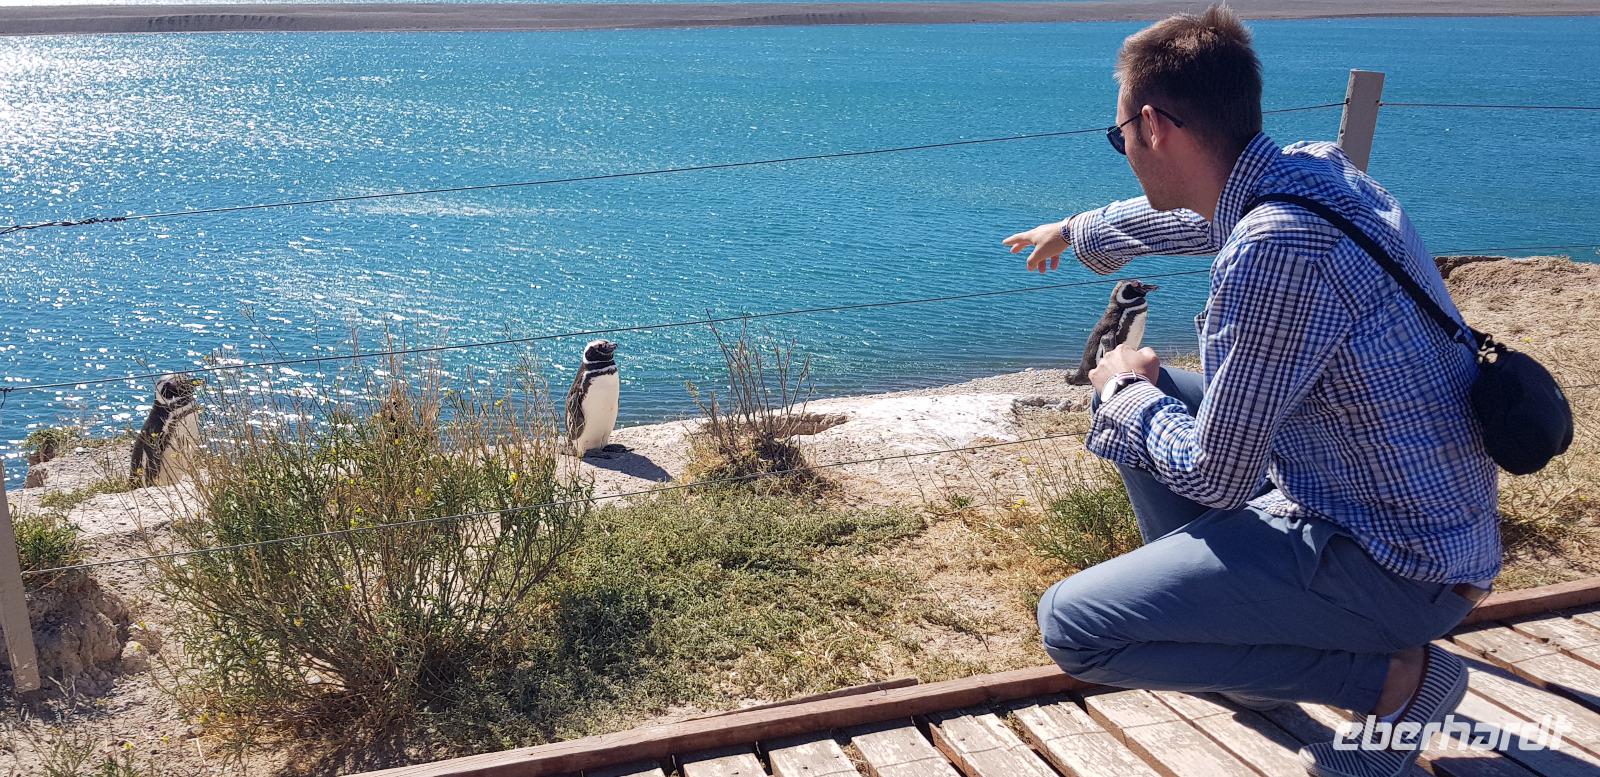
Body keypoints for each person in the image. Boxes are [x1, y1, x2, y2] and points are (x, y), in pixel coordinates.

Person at [1001, 6, 1497, 777]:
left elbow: (1216, 475)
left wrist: (1127, 392)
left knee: (1075, 625)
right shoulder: (1315, 171)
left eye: (1120, 136)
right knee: (1147, 393)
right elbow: (1209, 218)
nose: (1124, 150)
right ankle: (1247, 646)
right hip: (1421, 518)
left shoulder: (1272, 252)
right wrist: (1079, 230)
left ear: (1153, 126)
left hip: (1397, 565)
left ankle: (1393, 682)